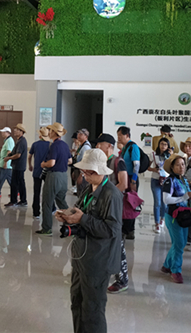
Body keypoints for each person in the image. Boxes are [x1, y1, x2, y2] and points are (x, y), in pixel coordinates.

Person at [55, 149, 122, 333]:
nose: (84, 175)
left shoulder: (111, 194)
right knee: (77, 302)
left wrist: (83, 219)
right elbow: (79, 209)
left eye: (88, 172)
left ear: (99, 171)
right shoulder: (88, 188)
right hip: (81, 257)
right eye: (83, 171)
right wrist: (67, 215)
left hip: (98, 260)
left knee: (92, 309)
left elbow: (112, 230)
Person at [96, 133, 129, 294]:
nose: (97, 147)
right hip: (105, 207)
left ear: (109, 146)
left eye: (100, 144)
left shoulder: (118, 161)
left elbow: (123, 183)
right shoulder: (102, 162)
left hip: (115, 208)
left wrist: (107, 196)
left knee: (117, 244)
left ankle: (122, 279)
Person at [160, 153, 191, 284]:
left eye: (183, 164)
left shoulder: (183, 180)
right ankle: (175, 270)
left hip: (184, 216)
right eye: (178, 165)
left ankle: (167, 265)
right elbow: (166, 200)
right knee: (179, 244)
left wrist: (190, 197)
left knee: (180, 243)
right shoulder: (169, 181)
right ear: (172, 167)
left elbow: (185, 197)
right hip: (173, 216)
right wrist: (184, 197)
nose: (181, 167)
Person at [37, 122, 71, 235]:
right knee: (61, 201)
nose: (49, 132)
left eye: (50, 130)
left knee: (47, 202)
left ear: (54, 132)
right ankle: (72, 224)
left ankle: (46, 228)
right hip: (64, 176)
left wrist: (43, 164)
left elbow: (51, 163)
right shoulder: (65, 145)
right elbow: (70, 161)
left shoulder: (54, 145)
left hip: (53, 176)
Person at [116, 126, 139, 240]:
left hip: (131, 179)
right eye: (118, 135)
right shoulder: (125, 147)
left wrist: (133, 181)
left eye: (120, 135)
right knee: (125, 203)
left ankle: (129, 230)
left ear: (127, 135)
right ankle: (126, 229)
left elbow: (136, 165)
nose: (118, 138)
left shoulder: (133, 147)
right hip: (125, 177)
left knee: (131, 204)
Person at [149, 137, 171, 232]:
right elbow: (147, 167)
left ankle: (162, 218)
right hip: (155, 180)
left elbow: (173, 168)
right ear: (158, 145)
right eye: (162, 144)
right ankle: (157, 223)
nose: (163, 146)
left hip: (166, 180)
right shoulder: (153, 154)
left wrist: (171, 155)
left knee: (164, 202)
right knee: (157, 202)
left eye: (165, 144)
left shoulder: (169, 156)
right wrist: (154, 169)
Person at [28, 127, 51, 219]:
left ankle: (36, 212)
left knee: (36, 192)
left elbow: (29, 156)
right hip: (47, 171)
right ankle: (51, 209)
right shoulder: (51, 145)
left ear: (40, 136)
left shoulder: (35, 144)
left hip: (37, 171)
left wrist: (30, 165)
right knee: (48, 191)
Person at [3, 124, 28, 207]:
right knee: (20, 183)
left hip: (18, 166)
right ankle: (23, 200)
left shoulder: (21, 142)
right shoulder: (20, 140)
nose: (15, 131)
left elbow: (18, 155)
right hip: (19, 166)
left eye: (17, 130)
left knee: (15, 184)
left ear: (21, 131)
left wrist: (9, 158)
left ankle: (14, 201)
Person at [0, 127, 14, 199]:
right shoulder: (7, 140)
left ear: (8, 133)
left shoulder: (9, 141)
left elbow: (9, 152)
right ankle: (16, 191)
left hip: (6, 164)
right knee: (9, 179)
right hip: (5, 163)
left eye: (4, 132)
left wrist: (5, 163)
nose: (2, 133)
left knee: (1, 178)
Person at [73, 129, 92, 196]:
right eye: (78, 134)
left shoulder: (86, 147)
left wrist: (82, 174)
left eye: (81, 134)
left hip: (82, 172)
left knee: (82, 192)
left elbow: (85, 162)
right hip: (78, 170)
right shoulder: (81, 145)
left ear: (86, 137)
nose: (78, 136)